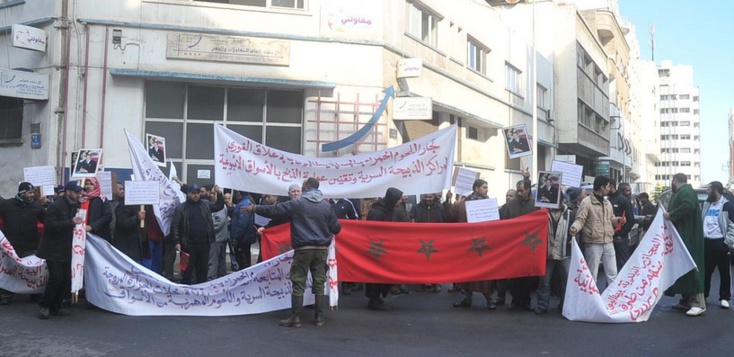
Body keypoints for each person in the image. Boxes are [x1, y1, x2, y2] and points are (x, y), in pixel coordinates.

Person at [243, 177, 341, 327]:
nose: (301, 189)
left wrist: (255, 208)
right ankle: (319, 317)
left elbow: (275, 211)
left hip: (303, 249)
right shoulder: (326, 206)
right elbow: (336, 228)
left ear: (308, 186)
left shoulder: (298, 204)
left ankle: (295, 318)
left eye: (302, 186)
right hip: (321, 250)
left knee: (298, 281)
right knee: (319, 281)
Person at [447, 180, 498, 310]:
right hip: (467, 244)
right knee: (467, 272)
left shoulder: (489, 205)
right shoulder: (462, 205)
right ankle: (467, 298)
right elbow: (449, 217)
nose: (487, 189)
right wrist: (450, 201)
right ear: (476, 188)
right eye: (484, 187)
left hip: (483, 245)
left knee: (484, 274)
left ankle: (489, 299)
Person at [36, 181, 84, 319]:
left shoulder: (76, 206)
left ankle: (56, 306)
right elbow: (50, 225)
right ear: (68, 192)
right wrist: (71, 222)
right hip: (53, 248)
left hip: (67, 247)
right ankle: (44, 305)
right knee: (56, 278)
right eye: (76, 192)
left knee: (64, 279)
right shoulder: (55, 206)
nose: (79, 194)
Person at [665, 173, 706, 316]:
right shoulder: (683, 191)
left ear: (675, 180)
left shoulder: (686, 191)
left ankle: (698, 303)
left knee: (692, 267)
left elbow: (687, 206)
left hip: (689, 237)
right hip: (683, 236)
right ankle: (686, 300)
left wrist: (671, 214)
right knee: (683, 268)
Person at [569, 175, 619, 288]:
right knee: (592, 276)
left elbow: (611, 218)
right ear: (602, 187)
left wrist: (618, 220)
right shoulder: (586, 203)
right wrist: (575, 228)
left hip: (608, 242)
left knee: (613, 275)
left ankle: (612, 302)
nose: (609, 189)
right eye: (608, 186)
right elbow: (580, 219)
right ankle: (591, 303)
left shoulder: (607, 203)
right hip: (593, 243)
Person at [0, 182, 45, 305]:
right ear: (22, 193)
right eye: (30, 192)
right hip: (10, 246)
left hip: (30, 245)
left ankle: (35, 293)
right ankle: (6, 293)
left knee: (30, 271)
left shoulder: (37, 207)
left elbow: (47, 220)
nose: (32, 195)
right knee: (9, 270)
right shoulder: (6, 205)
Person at [365, 187, 408, 310]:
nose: (400, 201)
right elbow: (372, 231)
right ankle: (373, 300)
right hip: (377, 249)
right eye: (398, 199)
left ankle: (377, 297)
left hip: (384, 247)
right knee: (376, 274)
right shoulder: (377, 212)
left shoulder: (388, 209)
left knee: (383, 274)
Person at [502, 174, 541, 311]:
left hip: (530, 245)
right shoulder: (510, 205)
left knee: (527, 276)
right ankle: (515, 300)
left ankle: (526, 301)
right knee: (514, 275)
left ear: (528, 190)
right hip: (514, 246)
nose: (519, 193)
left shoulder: (536, 205)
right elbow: (505, 223)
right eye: (518, 191)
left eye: (522, 191)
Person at [171, 184, 223, 285]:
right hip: (188, 246)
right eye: (193, 193)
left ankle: (201, 295)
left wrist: (219, 194)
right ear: (189, 194)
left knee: (202, 272)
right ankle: (185, 294)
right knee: (186, 273)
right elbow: (175, 226)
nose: (196, 195)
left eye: (198, 193)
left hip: (204, 245)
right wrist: (177, 241)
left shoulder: (206, 204)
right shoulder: (181, 208)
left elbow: (218, 206)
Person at [535, 193, 574, 314]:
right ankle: (542, 306)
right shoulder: (543, 214)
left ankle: (565, 305)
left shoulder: (570, 214)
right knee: (544, 281)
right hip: (547, 252)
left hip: (564, 252)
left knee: (566, 281)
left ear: (562, 201)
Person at [701, 181, 734, 309]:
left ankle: (724, 297)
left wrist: (727, 243)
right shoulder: (706, 204)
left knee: (724, 272)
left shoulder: (727, 206)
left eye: (709, 189)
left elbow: (732, 226)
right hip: (707, 242)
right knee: (706, 272)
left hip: (721, 242)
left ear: (715, 190)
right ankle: (704, 295)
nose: (707, 191)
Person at [410, 193, 445, 293]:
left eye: (430, 197)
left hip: (436, 239)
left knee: (436, 263)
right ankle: (421, 283)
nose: (428, 199)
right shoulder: (416, 207)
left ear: (433, 197)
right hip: (420, 239)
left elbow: (444, 221)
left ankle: (436, 283)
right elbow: (411, 218)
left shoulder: (439, 207)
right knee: (420, 262)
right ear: (422, 197)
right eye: (426, 197)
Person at [331, 197, 361, 295]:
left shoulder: (348, 203)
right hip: (329, 237)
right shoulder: (326, 202)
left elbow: (355, 219)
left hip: (344, 239)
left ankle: (347, 284)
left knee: (345, 260)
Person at [609, 181, 635, 271]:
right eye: (628, 191)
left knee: (623, 264)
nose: (630, 193)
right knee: (611, 266)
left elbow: (631, 219)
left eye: (630, 190)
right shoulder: (607, 201)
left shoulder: (625, 201)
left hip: (621, 238)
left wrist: (621, 234)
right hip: (609, 238)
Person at [208, 187, 230, 281]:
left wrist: (207, 228)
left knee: (213, 260)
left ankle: (211, 279)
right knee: (221, 259)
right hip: (221, 237)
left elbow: (219, 222)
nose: (211, 195)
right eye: (211, 193)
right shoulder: (217, 205)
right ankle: (221, 277)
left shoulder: (219, 207)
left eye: (214, 193)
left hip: (217, 238)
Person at [82, 178, 112, 243]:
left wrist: (92, 226)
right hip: (83, 233)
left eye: (91, 184)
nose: (88, 186)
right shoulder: (81, 199)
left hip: (99, 234)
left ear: (96, 186)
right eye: (86, 184)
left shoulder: (102, 199)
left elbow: (107, 216)